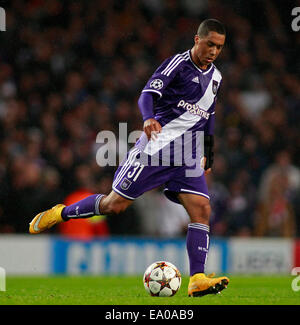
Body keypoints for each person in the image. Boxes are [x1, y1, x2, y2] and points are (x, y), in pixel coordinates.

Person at [29, 19, 229, 297]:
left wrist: (209, 150)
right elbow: (147, 93)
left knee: (202, 210)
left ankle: (196, 278)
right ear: (197, 39)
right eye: (210, 44)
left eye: (219, 47)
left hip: (187, 155)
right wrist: (148, 117)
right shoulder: (178, 65)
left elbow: (210, 115)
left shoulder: (216, 77)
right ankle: (59, 213)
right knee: (114, 205)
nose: (213, 51)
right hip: (156, 149)